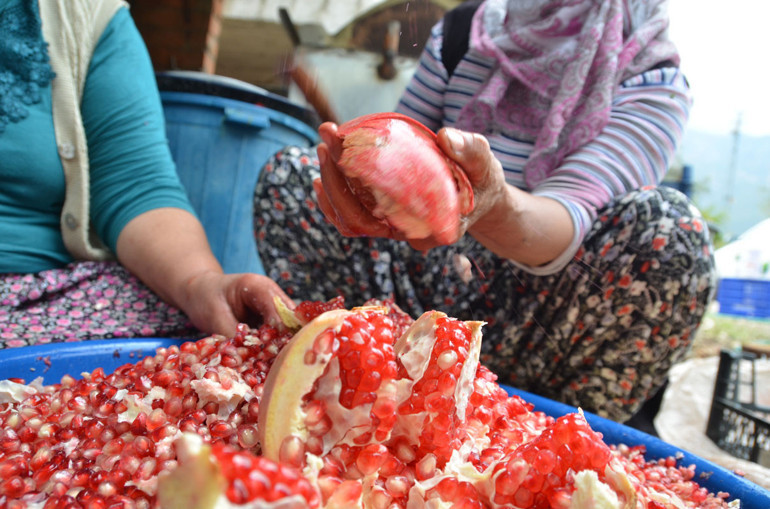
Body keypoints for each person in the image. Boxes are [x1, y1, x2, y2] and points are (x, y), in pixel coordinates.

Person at [254, 0, 716, 422]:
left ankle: (570, 433)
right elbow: (396, 145)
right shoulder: (461, 33)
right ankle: (356, 377)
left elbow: (567, 219)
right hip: (433, 287)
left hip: (549, 317)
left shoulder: (654, 77)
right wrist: (361, 192)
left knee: (670, 232)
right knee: (292, 177)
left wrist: (489, 204)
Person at [0, 0, 291, 348]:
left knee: (196, 346)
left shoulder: (83, 14)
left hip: (41, 296)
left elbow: (135, 186)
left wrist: (200, 283)